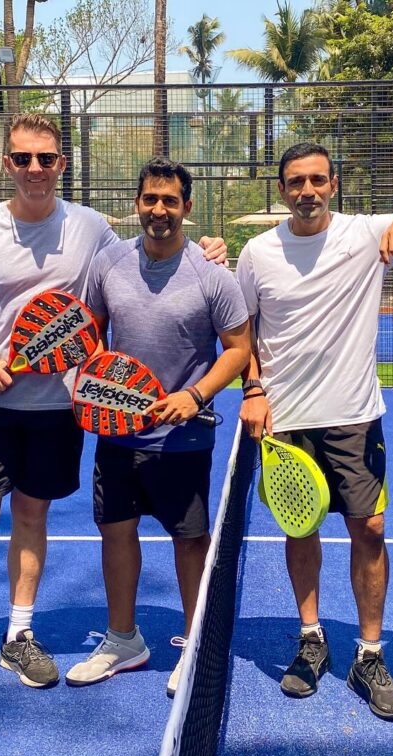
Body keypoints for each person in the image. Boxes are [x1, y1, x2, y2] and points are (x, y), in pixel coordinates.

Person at [0, 114, 228, 712]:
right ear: (7, 163)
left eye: (45, 159)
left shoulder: (89, 229)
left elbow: (152, 251)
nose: (34, 168)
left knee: (32, 516)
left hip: (59, 409)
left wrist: (207, 244)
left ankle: (19, 634)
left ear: (61, 165)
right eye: (22, 158)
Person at [235, 141, 393, 722]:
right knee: (299, 527)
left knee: (372, 529)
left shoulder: (364, 232)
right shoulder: (257, 253)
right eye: (295, 182)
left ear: (333, 184)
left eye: (316, 180)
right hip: (285, 421)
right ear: (282, 190)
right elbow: (241, 334)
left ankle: (369, 653)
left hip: (355, 415)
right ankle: (311, 637)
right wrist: (253, 390)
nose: (306, 190)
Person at [64, 157, 250, 697]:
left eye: (170, 201)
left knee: (190, 540)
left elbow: (239, 350)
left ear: (187, 208)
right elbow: (91, 332)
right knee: (115, 531)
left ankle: (192, 644)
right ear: (137, 204)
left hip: (184, 436)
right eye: (151, 199)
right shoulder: (109, 264)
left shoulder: (213, 277)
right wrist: (102, 384)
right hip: (116, 434)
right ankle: (124, 639)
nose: (159, 210)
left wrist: (195, 395)